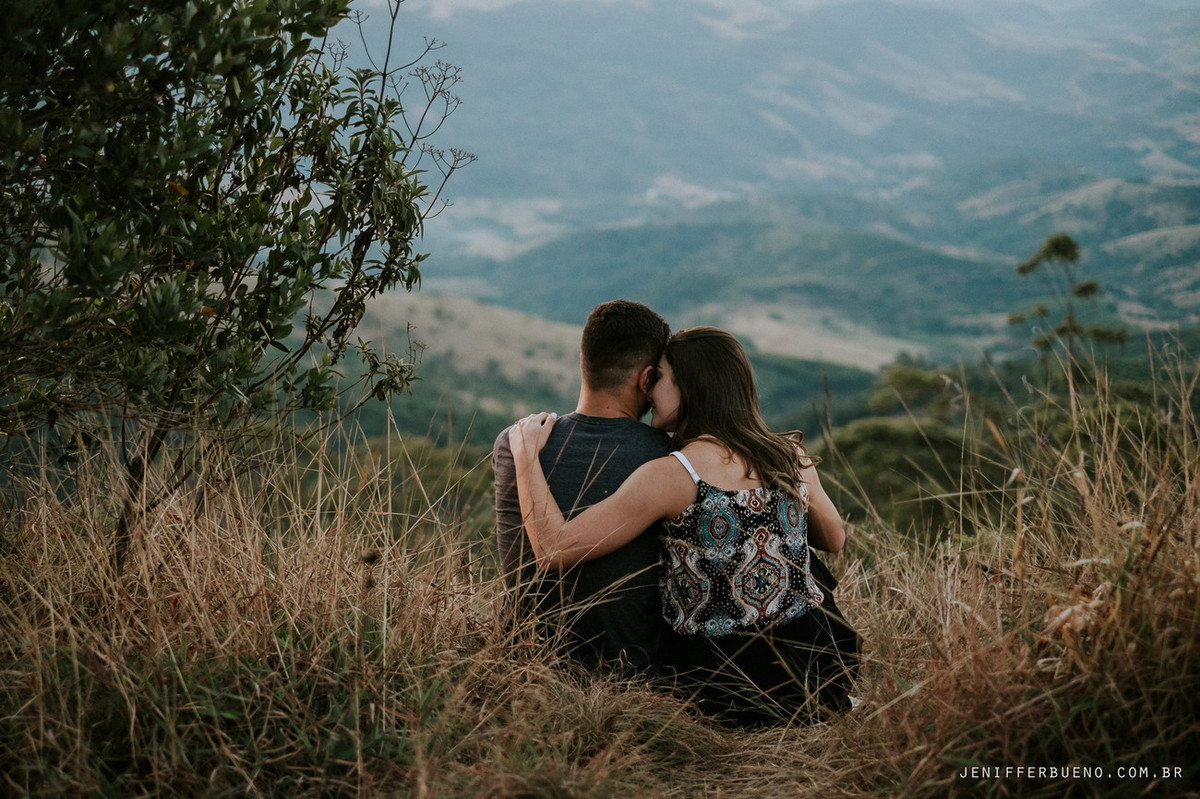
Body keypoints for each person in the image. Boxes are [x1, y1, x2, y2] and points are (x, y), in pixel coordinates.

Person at [510, 327, 860, 726]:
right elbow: (834, 538)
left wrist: (525, 457)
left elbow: (555, 549)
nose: (649, 389)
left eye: (658, 377)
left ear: (689, 386)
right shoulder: (788, 454)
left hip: (729, 687)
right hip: (816, 669)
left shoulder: (675, 475)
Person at [492, 299, 678, 676]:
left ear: (584, 362)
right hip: (626, 676)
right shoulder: (668, 459)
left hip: (520, 665)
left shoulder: (514, 443)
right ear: (646, 379)